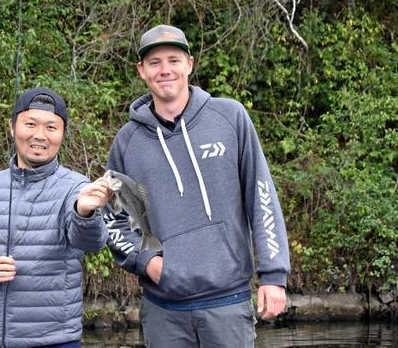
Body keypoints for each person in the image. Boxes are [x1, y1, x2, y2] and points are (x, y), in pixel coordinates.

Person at [105, 25, 291, 347]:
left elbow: (261, 196)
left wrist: (273, 275)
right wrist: (146, 261)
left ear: (189, 64)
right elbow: (114, 221)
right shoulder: (126, 142)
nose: (165, 70)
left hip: (228, 303)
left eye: (174, 60)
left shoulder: (230, 117)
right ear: (141, 71)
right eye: (155, 62)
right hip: (163, 309)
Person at [0, 87, 112, 348]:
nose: (39, 135)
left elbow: (92, 243)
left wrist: (84, 211)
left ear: (62, 134)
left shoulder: (76, 187)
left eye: (51, 127)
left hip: (55, 341)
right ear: (12, 127)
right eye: (30, 124)